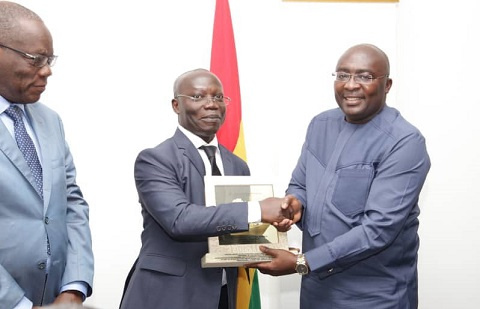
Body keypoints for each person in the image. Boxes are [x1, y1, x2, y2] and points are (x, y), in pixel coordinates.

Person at [248, 44, 431, 308]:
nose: (350, 85)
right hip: (317, 291)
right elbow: (300, 184)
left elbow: (378, 230)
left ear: (387, 85)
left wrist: (303, 262)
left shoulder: (405, 142)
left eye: (365, 76)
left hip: (374, 296)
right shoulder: (320, 125)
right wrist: (296, 205)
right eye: (343, 75)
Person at [119, 68, 300, 309]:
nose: (211, 104)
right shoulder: (155, 160)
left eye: (218, 97)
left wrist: (272, 236)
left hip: (223, 294)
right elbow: (179, 220)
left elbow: (237, 231)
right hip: (168, 295)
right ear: (176, 105)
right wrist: (258, 210)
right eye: (198, 97)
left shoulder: (237, 165)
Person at [0, 2, 94, 309]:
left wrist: (73, 288)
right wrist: (19, 305)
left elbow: (72, 203)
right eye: (36, 59)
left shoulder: (50, 120)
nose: (47, 70)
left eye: (49, 59)